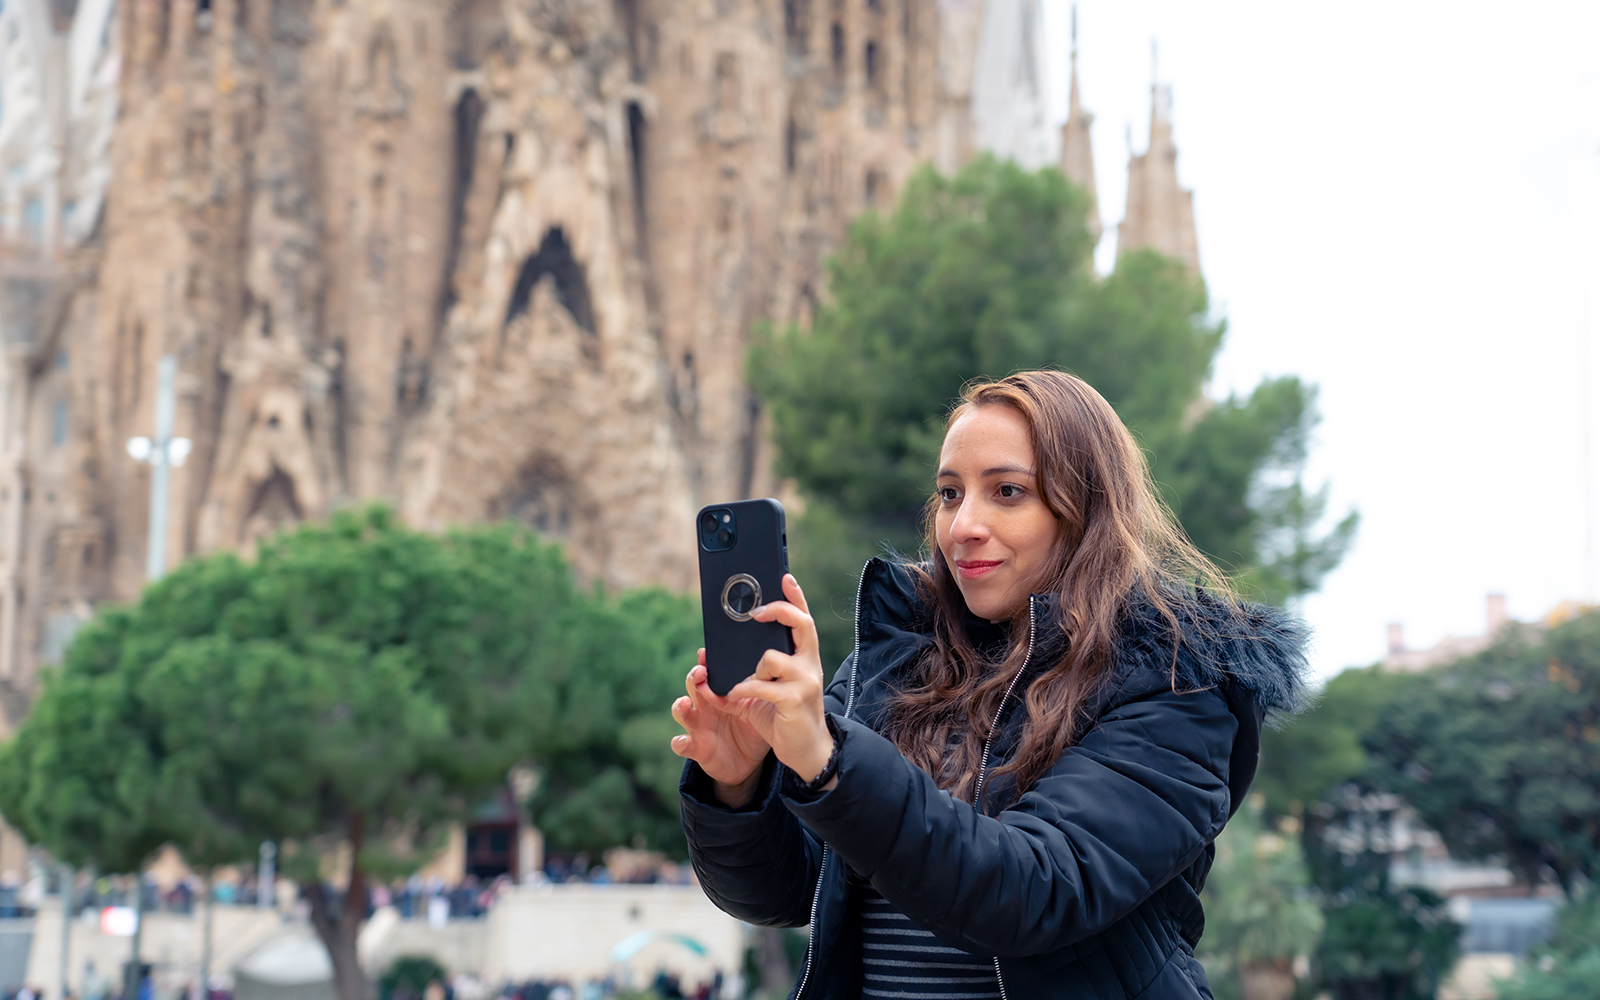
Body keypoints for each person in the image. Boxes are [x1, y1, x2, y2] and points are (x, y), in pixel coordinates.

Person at [671, 371, 1307, 999]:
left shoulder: (1177, 680)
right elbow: (785, 892)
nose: (963, 525)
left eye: (1007, 492)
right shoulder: (897, 659)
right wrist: (737, 788)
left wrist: (828, 763)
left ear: (1085, 509)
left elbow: (1033, 891)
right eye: (950, 494)